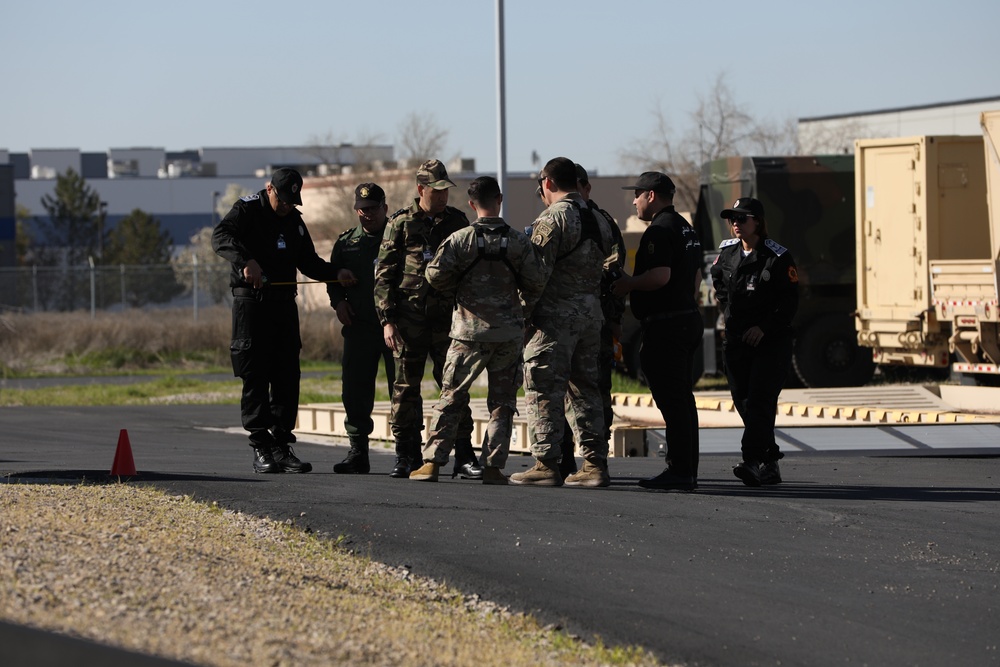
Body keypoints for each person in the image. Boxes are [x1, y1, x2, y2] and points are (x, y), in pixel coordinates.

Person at [212, 168, 354, 474]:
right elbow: (220, 236)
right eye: (283, 199)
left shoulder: (293, 219)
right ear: (269, 189)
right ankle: (260, 445)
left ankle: (280, 443)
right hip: (252, 304)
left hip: (284, 305)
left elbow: (309, 261)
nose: (287, 206)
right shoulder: (247, 209)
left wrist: (335, 274)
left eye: (293, 201)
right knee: (256, 373)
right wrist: (245, 260)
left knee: (288, 374)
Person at [409, 176, 544, 484]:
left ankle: (432, 463)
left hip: (468, 333)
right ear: (499, 199)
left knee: (452, 396)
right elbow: (537, 281)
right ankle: (494, 467)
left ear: (471, 204)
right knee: (503, 404)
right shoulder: (519, 241)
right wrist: (519, 309)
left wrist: (460, 287)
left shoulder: (460, 239)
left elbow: (434, 276)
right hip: (508, 334)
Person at [374, 159, 483, 480]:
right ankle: (406, 454)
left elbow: (472, 272)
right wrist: (387, 321)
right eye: (435, 191)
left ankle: (463, 454)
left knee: (453, 388)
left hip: (449, 323)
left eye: (445, 190)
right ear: (421, 189)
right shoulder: (401, 224)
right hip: (409, 322)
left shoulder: (458, 222)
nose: (442, 196)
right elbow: (383, 277)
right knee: (405, 389)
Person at [510, 157, 614, 488]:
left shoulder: (553, 218)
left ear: (549, 183)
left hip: (555, 319)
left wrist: (522, 318)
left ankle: (545, 463)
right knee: (586, 389)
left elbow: (535, 274)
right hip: (590, 316)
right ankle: (595, 464)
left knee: (542, 387)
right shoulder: (600, 218)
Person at [613, 172, 703, 491]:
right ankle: (685, 468)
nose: (634, 200)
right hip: (686, 318)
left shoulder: (659, 230)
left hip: (667, 324)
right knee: (681, 399)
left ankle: (679, 470)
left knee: (674, 400)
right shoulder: (685, 228)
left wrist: (628, 283)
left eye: (637, 194)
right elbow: (694, 279)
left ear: (651, 195)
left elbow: (661, 275)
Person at [710, 197, 799, 486]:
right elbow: (719, 284)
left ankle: (751, 461)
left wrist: (764, 327)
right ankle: (770, 460)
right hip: (737, 341)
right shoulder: (727, 254)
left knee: (761, 399)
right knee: (744, 400)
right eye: (731, 218)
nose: (735, 223)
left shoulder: (777, 257)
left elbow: (790, 301)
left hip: (771, 342)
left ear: (757, 222)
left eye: (742, 218)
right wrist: (729, 315)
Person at [327, 183, 396, 474]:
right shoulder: (346, 243)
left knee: (404, 391)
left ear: (385, 208)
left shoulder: (399, 237)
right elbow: (332, 278)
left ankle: (408, 451)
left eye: (373, 209)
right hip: (360, 327)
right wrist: (338, 303)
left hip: (396, 326)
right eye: (362, 210)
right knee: (355, 390)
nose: (367, 215)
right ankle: (358, 452)